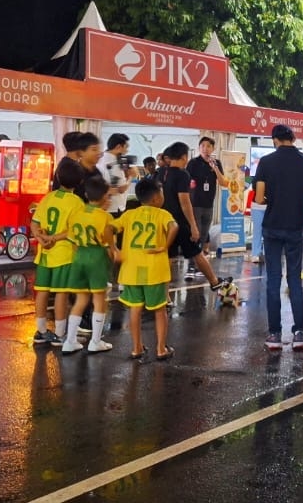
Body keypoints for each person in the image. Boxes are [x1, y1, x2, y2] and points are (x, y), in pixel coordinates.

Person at [254, 125, 303, 351]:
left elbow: (259, 197)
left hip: (272, 226)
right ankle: (299, 334)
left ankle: (274, 334)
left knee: (273, 280)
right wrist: (299, 189)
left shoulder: (265, 162)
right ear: (293, 139)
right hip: (295, 227)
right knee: (295, 280)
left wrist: (272, 196)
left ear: (275, 140)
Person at [114, 179, 178, 361]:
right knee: (159, 310)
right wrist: (164, 246)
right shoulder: (162, 214)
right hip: (154, 270)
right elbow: (174, 227)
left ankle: (136, 348)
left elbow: (110, 228)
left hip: (132, 269)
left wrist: (113, 250)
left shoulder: (129, 215)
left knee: (135, 309)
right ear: (157, 197)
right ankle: (160, 349)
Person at [162, 142, 230, 291]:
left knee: (169, 257)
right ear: (184, 157)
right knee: (197, 252)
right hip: (180, 221)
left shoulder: (162, 173)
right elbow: (185, 202)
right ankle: (213, 281)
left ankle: (164, 294)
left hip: (165, 221)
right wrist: (193, 225)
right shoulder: (182, 174)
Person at [30, 162, 84, 345]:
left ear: (58, 178)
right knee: (61, 294)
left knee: (42, 292)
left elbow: (34, 222)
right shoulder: (76, 202)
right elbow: (74, 231)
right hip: (63, 254)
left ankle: (41, 331)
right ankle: (61, 334)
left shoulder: (48, 197)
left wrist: (40, 237)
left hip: (44, 254)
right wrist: (54, 238)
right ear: (80, 181)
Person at [61, 176, 115, 354]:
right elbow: (109, 246)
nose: (109, 199)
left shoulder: (77, 213)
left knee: (81, 300)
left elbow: (73, 240)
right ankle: (95, 341)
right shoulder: (105, 217)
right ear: (103, 198)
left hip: (79, 257)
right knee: (99, 300)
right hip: (96, 257)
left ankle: (70, 341)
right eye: (108, 196)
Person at [187, 137, 230, 257]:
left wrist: (215, 167)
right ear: (199, 148)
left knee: (205, 234)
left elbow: (223, 183)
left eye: (208, 146)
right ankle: (193, 262)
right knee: (197, 234)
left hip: (209, 204)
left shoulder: (217, 163)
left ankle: (200, 260)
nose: (205, 149)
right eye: (203, 146)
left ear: (213, 148)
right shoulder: (193, 163)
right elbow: (187, 181)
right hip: (195, 203)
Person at [100, 133, 139, 217]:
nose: (127, 151)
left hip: (104, 206)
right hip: (114, 207)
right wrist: (131, 177)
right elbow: (121, 189)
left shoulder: (101, 158)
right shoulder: (113, 164)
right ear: (118, 147)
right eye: (126, 147)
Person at [248, 176, 266, 265]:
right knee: (257, 231)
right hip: (257, 206)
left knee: (268, 232)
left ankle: (266, 253)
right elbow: (254, 186)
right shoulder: (257, 176)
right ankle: (255, 254)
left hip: (271, 206)